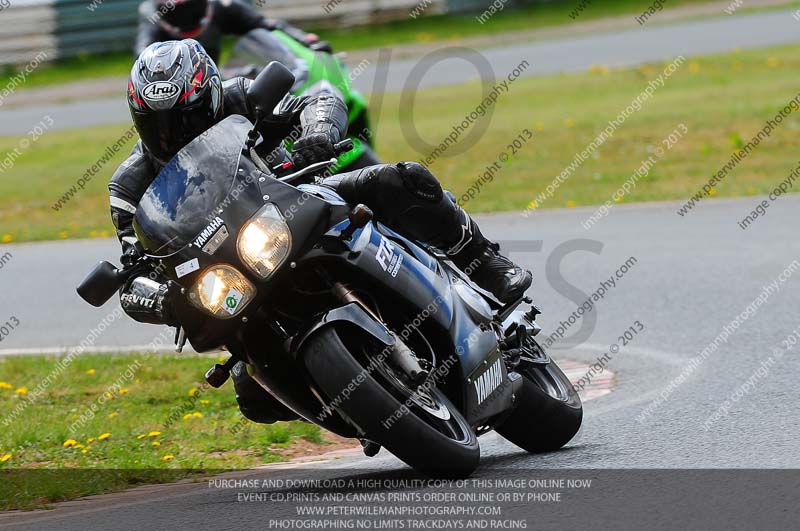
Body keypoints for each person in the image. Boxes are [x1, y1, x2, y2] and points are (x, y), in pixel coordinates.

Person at [111, 40, 532, 423]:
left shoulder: (242, 98)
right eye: (158, 124)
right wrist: (158, 299)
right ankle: (346, 398)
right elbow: (132, 269)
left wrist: (317, 134)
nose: (174, 133)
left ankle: (484, 262)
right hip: (229, 271)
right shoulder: (129, 186)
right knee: (252, 395)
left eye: (187, 117)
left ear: (212, 96)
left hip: (295, 199)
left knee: (402, 180)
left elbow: (318, 101)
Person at [134, 0, 331, 62]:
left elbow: (266, 26)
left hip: (214, 83)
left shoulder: (223, 7)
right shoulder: (152, 16)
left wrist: (304, 40)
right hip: (175, 94)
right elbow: (142, 54)